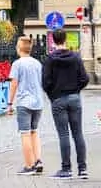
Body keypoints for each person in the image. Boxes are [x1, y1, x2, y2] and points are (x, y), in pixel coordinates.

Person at [42, 29, 89, 179]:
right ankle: (82, 169)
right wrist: (76, 90)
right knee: (78, 134)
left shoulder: (50, 59)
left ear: (53, 41)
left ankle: (66, 169)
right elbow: (85, 78)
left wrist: (53, 96)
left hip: (58, 99)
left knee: (64, 134)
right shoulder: (75, 57)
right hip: (74, 98)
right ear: (65, 39)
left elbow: (45, 82)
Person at [6, 36, 44, 175]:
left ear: (18, 48)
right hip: (38, 102)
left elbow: (14, 84)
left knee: (25, 134)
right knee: (34, 131)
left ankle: (29, 166)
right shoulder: (37, 63)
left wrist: (9, 103)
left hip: (24, 103)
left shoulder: (17, 64)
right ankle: (38, 160)